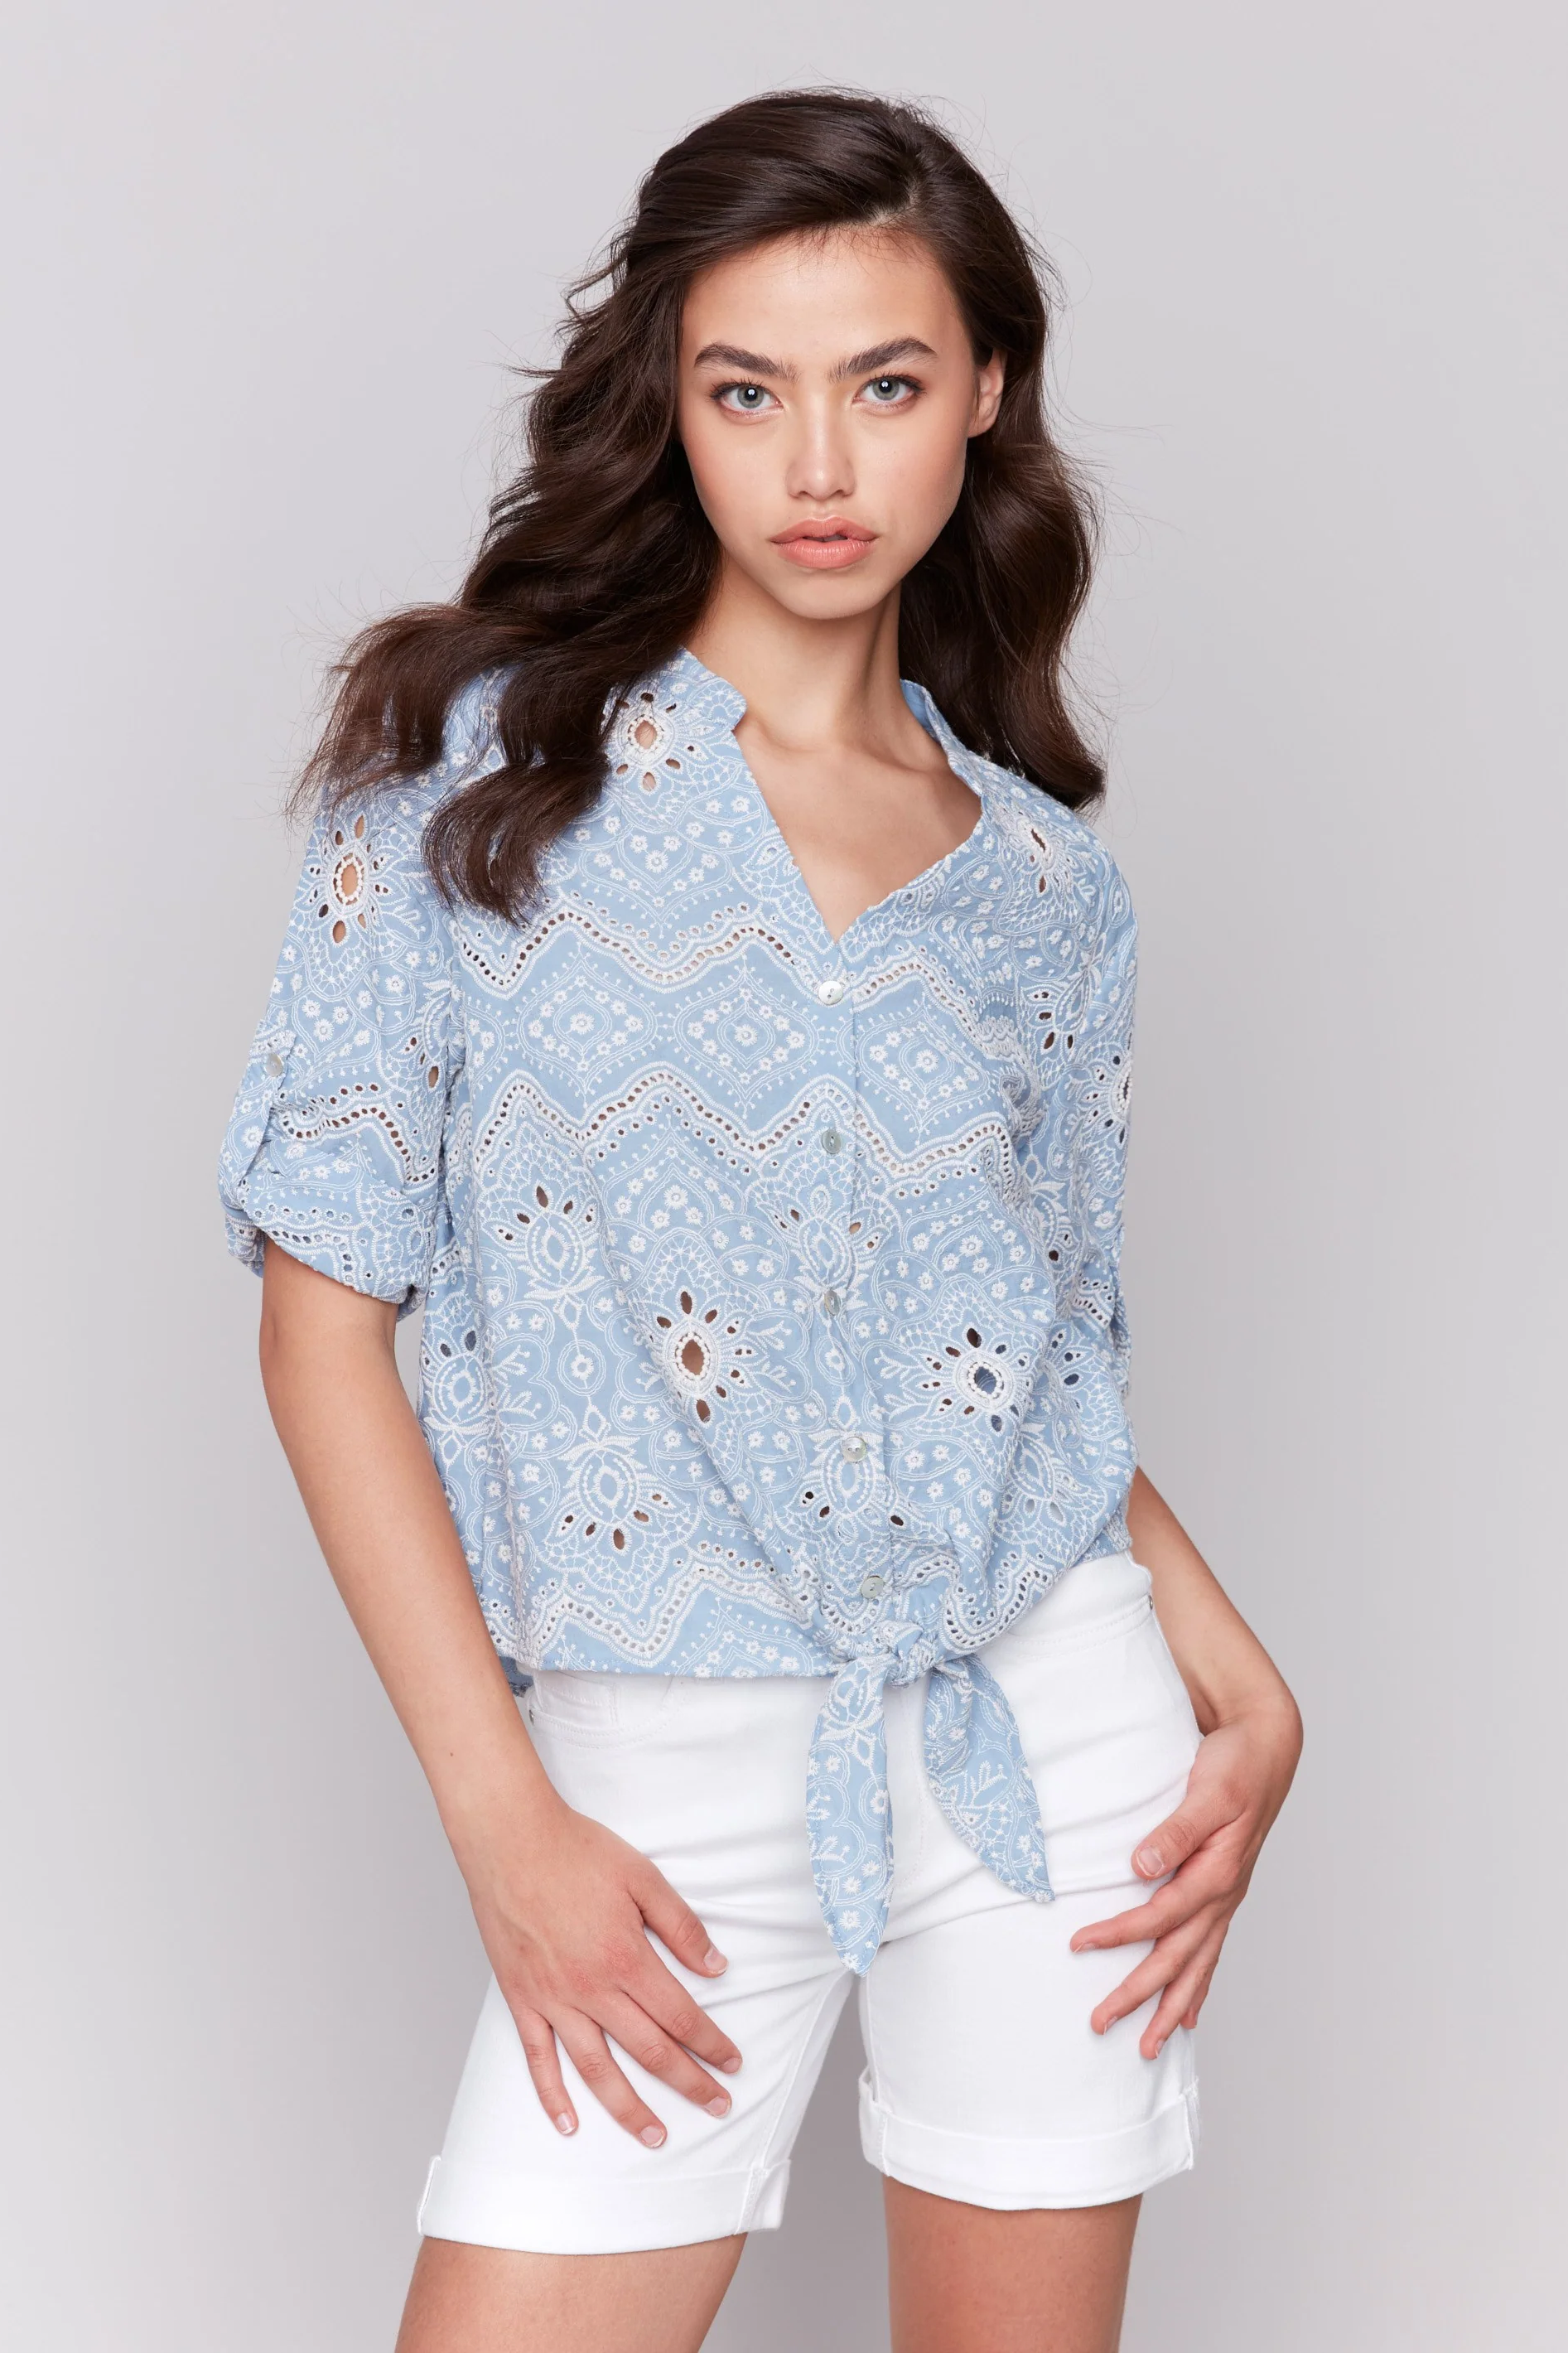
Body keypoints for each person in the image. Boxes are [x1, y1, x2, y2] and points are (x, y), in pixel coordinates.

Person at [220, 89, 1301, 2353]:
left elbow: (1018, 1361)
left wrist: (1234, 1671)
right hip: (653, 1770)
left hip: (1047, 1736)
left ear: (983, 391)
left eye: (884, 384)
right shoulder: (467, 788)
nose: (819, 466)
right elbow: (322, 1331)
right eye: (747, 391)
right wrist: (503, 1822)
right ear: (669, 403)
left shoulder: (1041, 890)